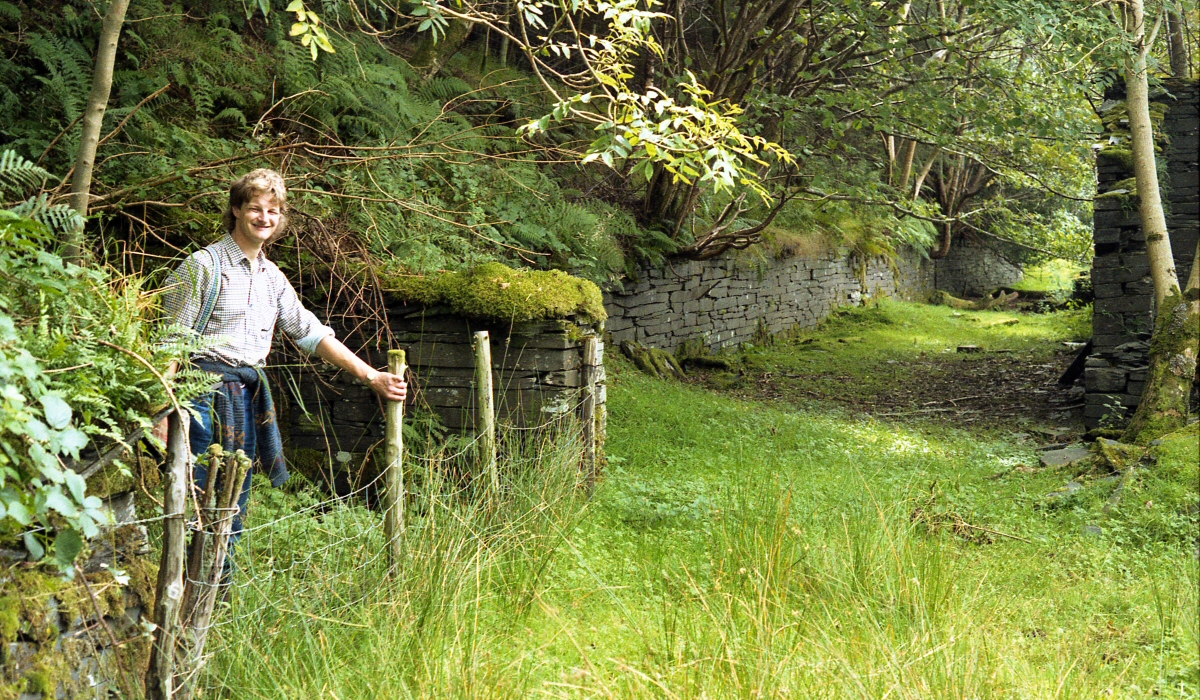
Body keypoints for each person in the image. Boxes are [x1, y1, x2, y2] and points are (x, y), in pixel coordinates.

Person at [160, 168, 405, 565]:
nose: (264, 218)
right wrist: (164, 410)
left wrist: (371, 375)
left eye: (273, 211)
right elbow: (170, 343)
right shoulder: (203, 266)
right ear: (236, 209)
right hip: (198, 398)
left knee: (232, 502)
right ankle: (185, 595)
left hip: (244, 397)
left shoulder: (271, 276)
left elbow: (309, 333)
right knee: (196, 498)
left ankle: (216, 594)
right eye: (255, 208)